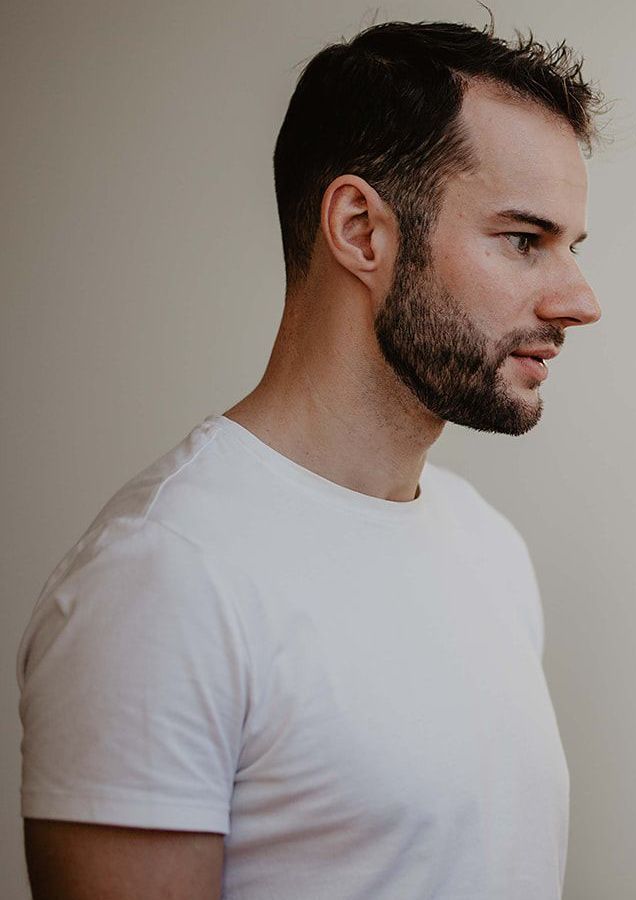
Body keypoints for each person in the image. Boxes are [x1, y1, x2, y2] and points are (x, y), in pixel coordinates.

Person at [17, 21, 602, 899]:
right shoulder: (162, 580)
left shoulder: (489, 548)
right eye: (524, 239)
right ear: (362, 231)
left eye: (571, 247)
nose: (580, 301)